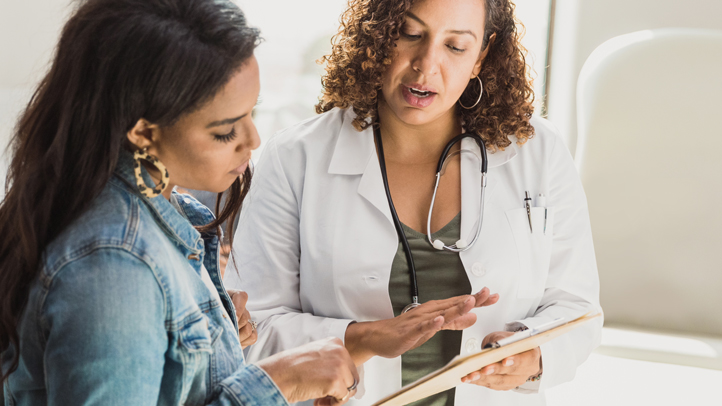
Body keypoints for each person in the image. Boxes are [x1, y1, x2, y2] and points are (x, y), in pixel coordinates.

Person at [224, 0, 602, 405]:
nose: (426, 65)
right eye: (411, 34)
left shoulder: (537, 151)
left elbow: (577, 308)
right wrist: (364, 337)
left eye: (455, 46)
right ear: (379, 33)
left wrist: (532, 355)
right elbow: (247, 328)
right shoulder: (297, 156)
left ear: (482, 56)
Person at [0, 0, 361, 405]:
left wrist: (215, 346)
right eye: (225, 131)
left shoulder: (162, 212)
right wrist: (275, 384)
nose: (253, 140)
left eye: (250, 112)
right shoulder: (114, 264)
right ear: (143, 133)